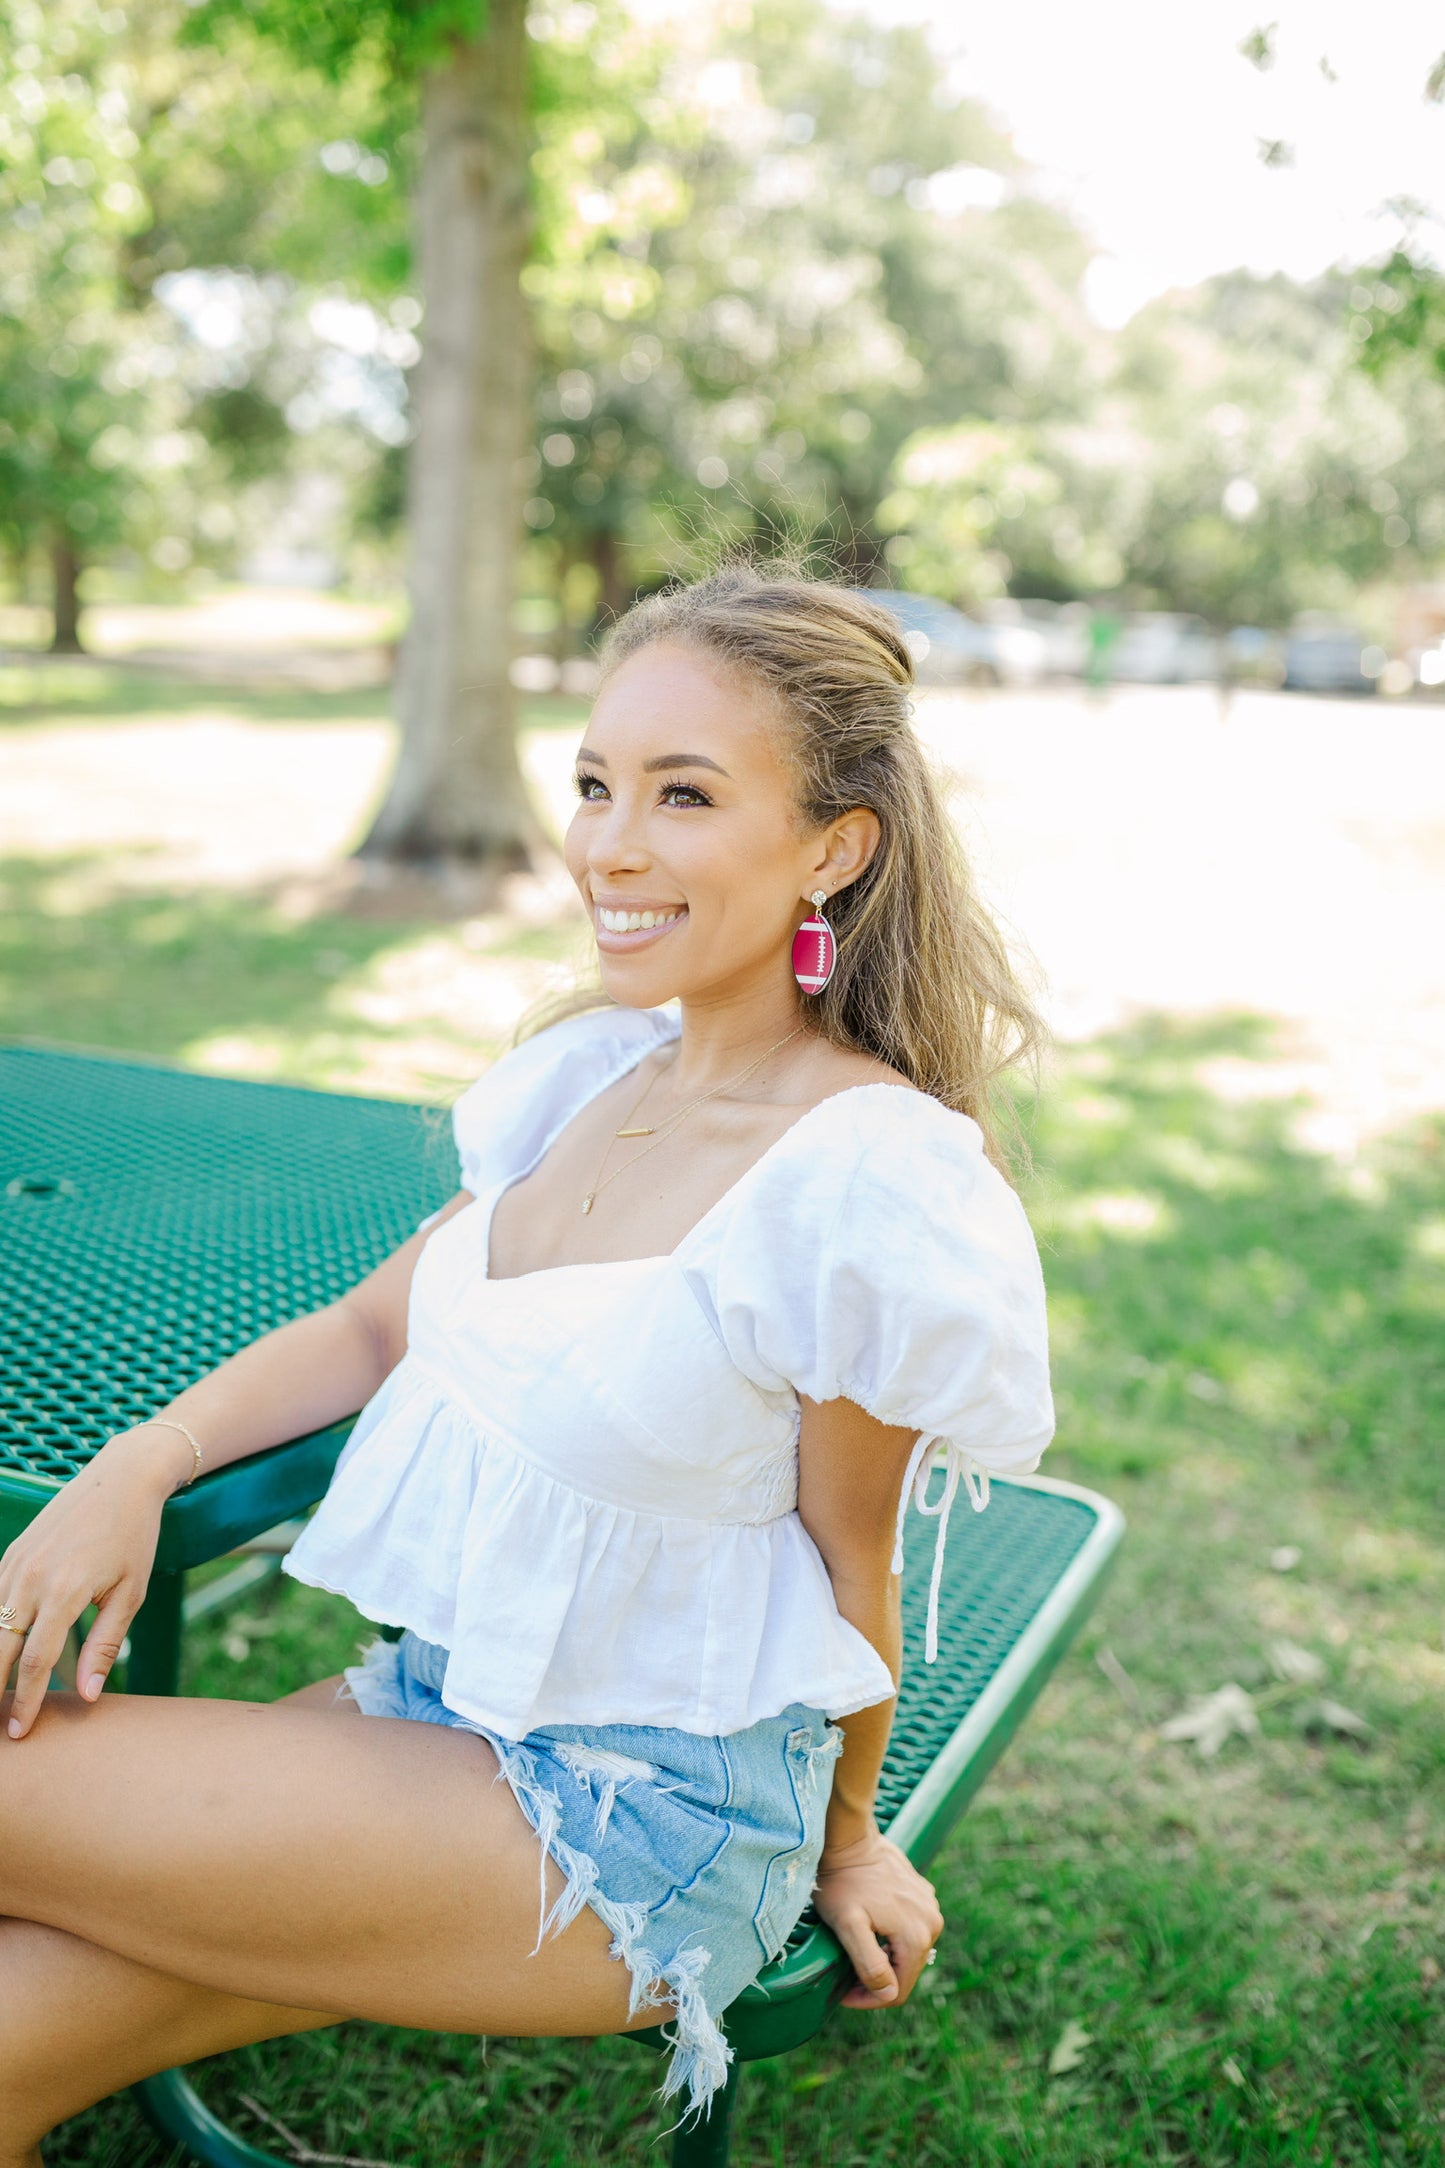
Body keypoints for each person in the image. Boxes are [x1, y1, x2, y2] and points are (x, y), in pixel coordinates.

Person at [0, 568, 1054, 2162]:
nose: (606, 846)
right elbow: (370, 1328)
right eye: (594, 784)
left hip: (645, 1819)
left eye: (683, 795)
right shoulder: (590, 1076)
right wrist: (132, 1466)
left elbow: (855, 1563)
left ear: (833, 847)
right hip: (454, 1701)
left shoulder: (862, 1187)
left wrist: (846, 1848)